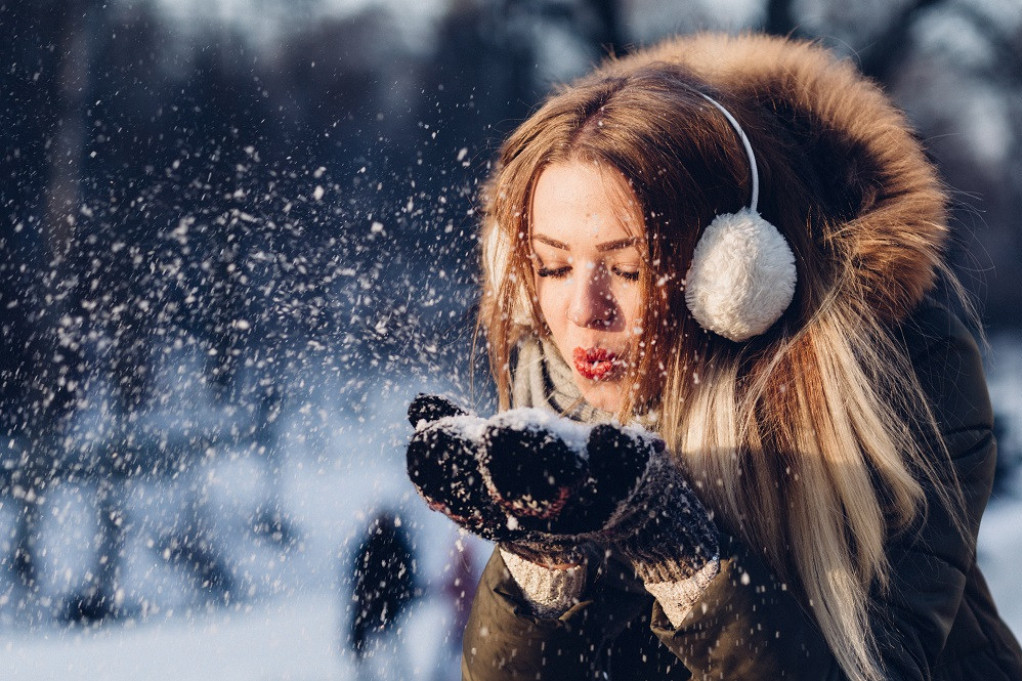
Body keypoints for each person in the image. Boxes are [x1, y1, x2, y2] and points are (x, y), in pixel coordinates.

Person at [405, 33, 1022, 681]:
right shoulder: (553, 395)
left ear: (732, 274)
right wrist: (541, 566)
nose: (585, 311)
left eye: (627, 268)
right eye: (552, 266)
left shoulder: (902, 381)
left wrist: (683, 559)